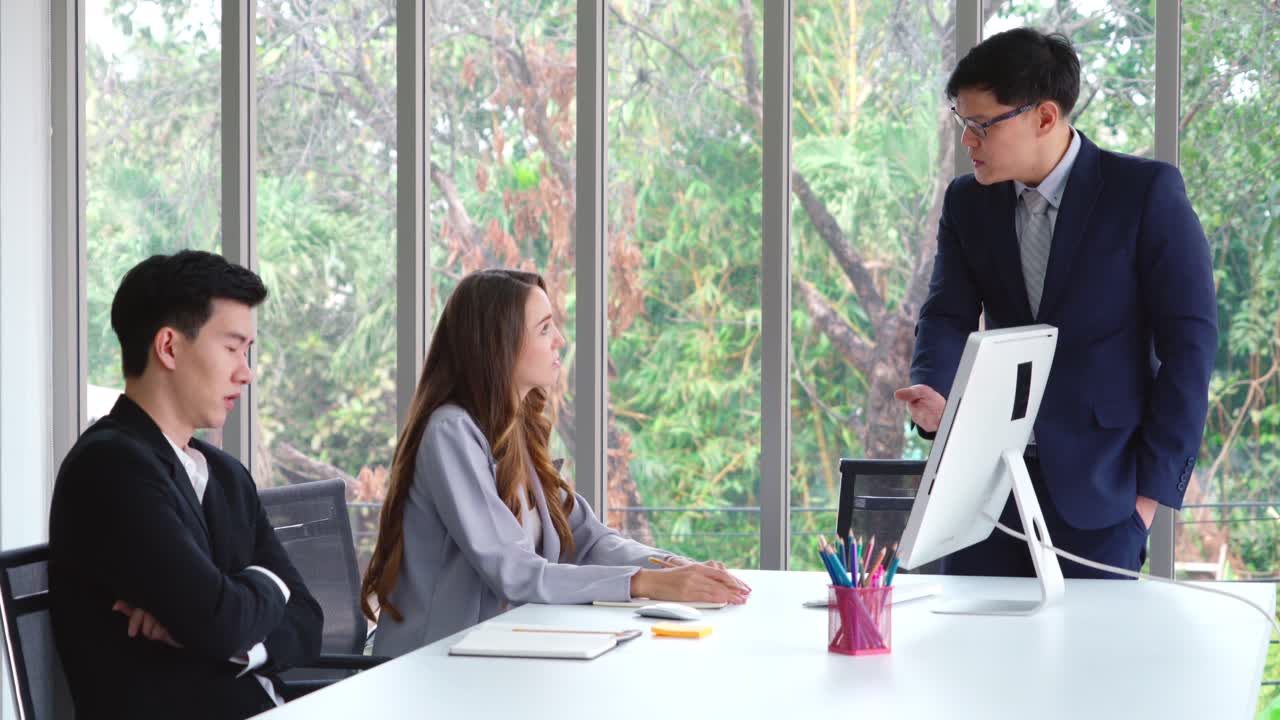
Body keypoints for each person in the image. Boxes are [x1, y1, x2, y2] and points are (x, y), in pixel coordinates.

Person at [895, 28, 1217, 578]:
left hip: (1104, 498)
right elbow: (947, 313)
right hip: (984, 493)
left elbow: (1190, 346)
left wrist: (1147, 501)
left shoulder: (1143, 194)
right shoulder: (968, 202)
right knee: (972, 661)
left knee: (1090, 662)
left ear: (1045, 117)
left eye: (980, 125)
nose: (966, 140)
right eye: (960, 121)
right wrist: (938, 396)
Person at [361, 269, 749, 656]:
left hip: (492, 651)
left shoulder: (515, 431)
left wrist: (671, 567)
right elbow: (514, 571)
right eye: (545, 329)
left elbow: (586, 538)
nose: (560, 340)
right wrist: (644, 583)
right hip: (429, 666)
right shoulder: (451, 432)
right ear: (501, 344)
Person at [49, 251, 323, 719]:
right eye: (233, 347)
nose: (246, 371)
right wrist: (268, 587)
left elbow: (308, 621)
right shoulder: (110, 467)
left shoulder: (226, 475)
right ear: (170, 347)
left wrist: (239, 635)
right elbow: (219, 621)